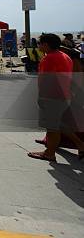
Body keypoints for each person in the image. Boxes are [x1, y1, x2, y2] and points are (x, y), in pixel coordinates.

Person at [28, 34, 84, 162]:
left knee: (52, 128)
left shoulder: (48, 59)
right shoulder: (65, 56)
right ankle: (80, 144)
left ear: (46, 45)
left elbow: (45, 80)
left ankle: (49, 153)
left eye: (40, 44)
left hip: (52, 97)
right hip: (64, 96)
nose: (39, 46)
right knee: (59, 124)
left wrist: (40, 97)